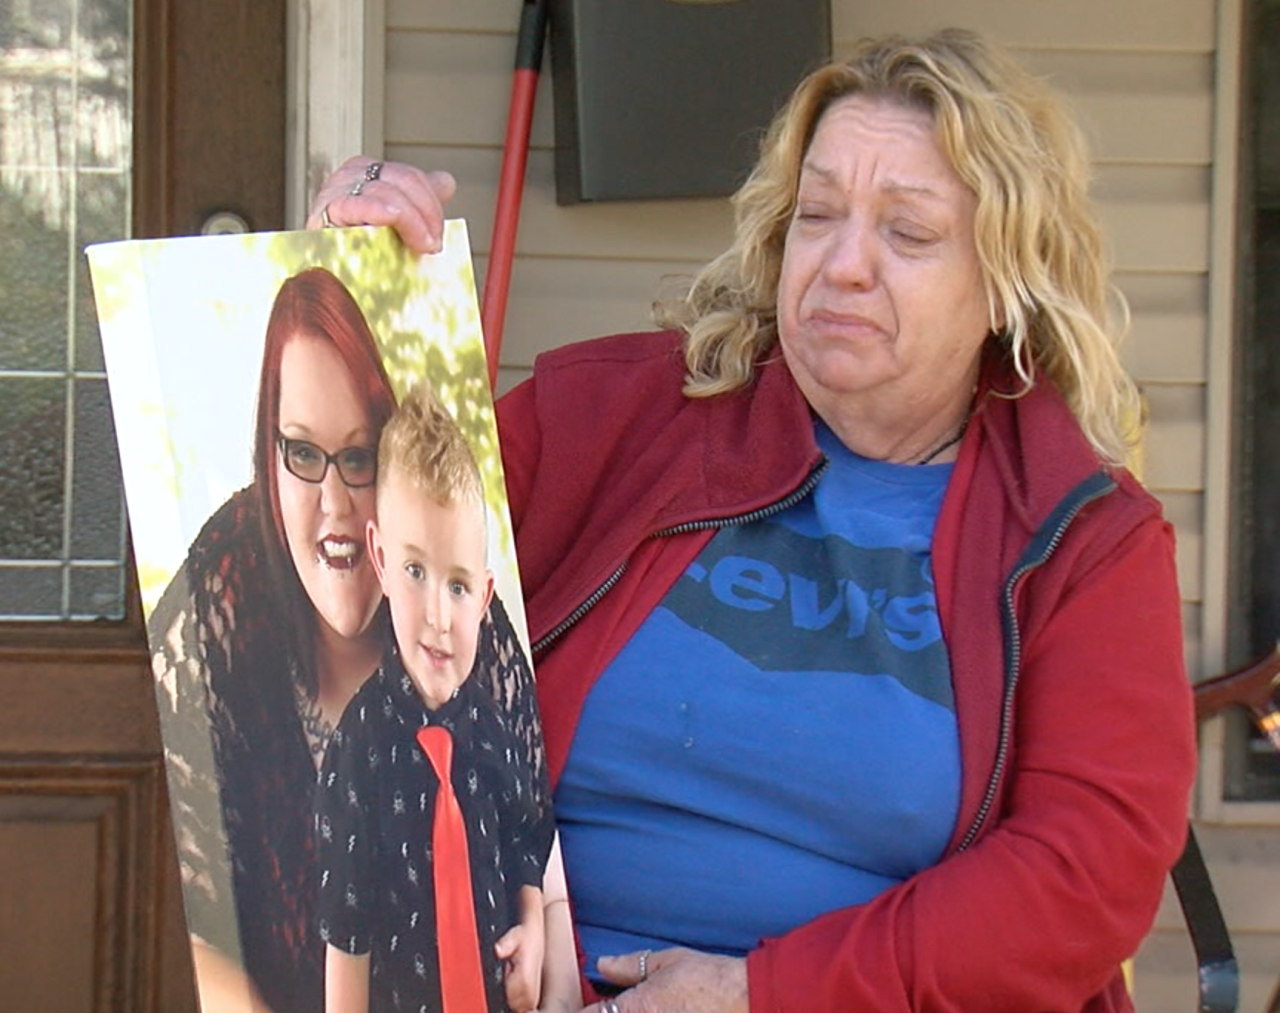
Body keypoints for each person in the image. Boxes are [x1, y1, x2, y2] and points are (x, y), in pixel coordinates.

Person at [310, 27, 1198, 1013]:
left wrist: (761, 992)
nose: (844, 264)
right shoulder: (609, 421)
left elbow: (1081, 879)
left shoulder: (1077, 537)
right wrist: (355, 276)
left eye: (905, 232)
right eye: (817, 215)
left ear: (1003, 283)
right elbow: (342, 558)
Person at [147, 266, 558, 1013]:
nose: (333, 503)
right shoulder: (229, 588)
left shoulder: (467, 619)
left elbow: (532, 832)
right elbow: (206, 922)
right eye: (303, 453)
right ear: (269, 461)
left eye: (360, 457)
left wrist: (536, 932)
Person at [317, 381, 562, 1013]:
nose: (436, 616)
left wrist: (533, 929)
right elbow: (347, 936)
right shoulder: (359, 743)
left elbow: (523, 835)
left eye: (456, 586)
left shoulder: (490, 722)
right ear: (378, 558)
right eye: (416, 572)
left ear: (483, 599)